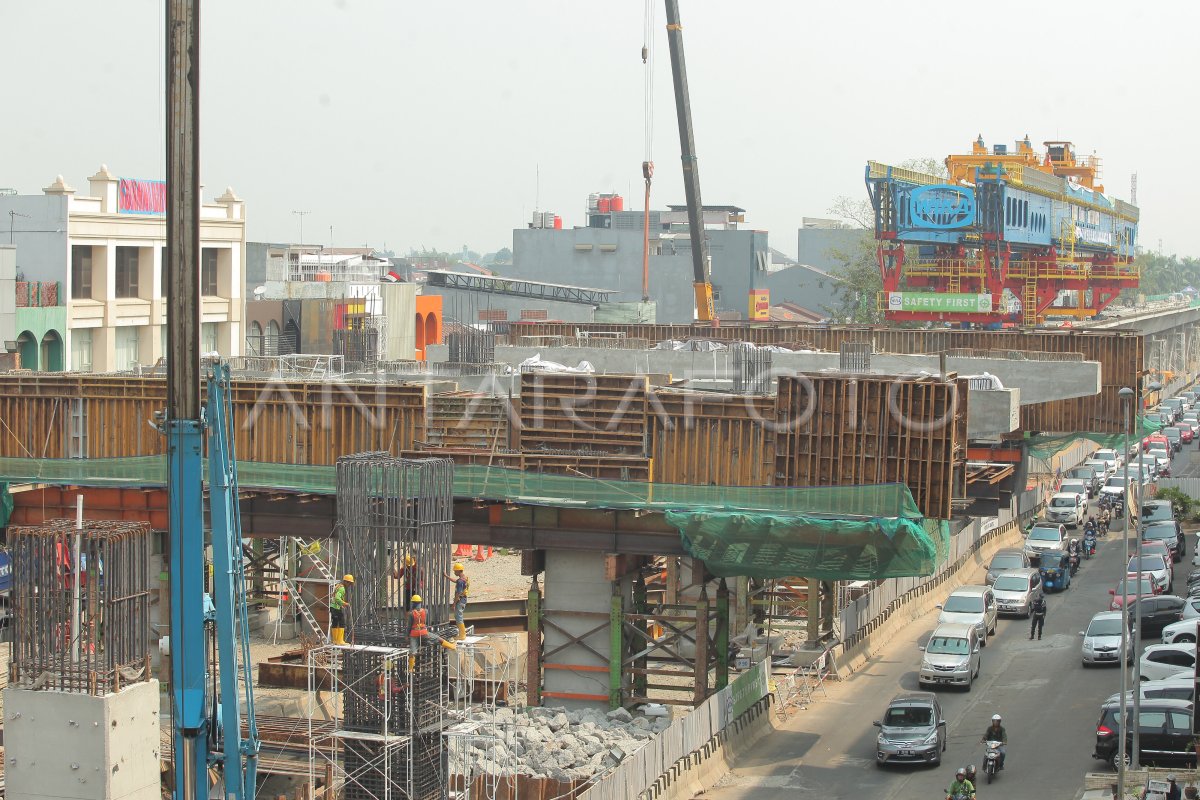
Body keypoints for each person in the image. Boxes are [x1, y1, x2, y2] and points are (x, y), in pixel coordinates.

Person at [446, 563, 470, 640]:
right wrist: (447, 576)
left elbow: (458, 594)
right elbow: (456, 581)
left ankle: (462, 635)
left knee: (458, 617)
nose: (454, 572)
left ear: (459, 571)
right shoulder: (464, 578)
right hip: (464, 599)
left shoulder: (460, 581)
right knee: (458, 616)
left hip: (460, 600)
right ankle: (462, 634)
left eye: (455, 571)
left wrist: (454, 604)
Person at [330, 574, 353, 645]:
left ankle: (335, 640)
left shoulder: (338, 586)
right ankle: (340, 641)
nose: (349, 585)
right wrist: (344, 603)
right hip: (335, 608)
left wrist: (341, 605)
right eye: (349, 583)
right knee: (342, 622)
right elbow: (337, 598)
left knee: (335, 622)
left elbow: (335, 598)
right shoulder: (342, 588)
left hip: (333, 607)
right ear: (346, 582)